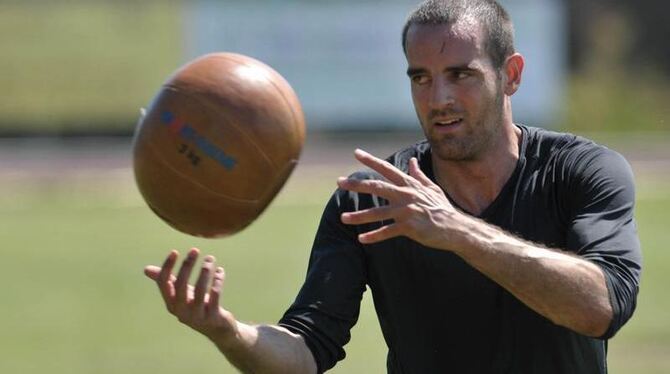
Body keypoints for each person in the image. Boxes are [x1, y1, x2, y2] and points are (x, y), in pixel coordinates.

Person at [144, 0, 642, 373]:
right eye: (420, 78)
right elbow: (307, 347)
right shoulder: (372, 197)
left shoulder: (581, 172)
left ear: (510, 75)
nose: (439, 98)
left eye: (461, 74)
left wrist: (455, 230)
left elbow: (603, 307)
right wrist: (228, 333)